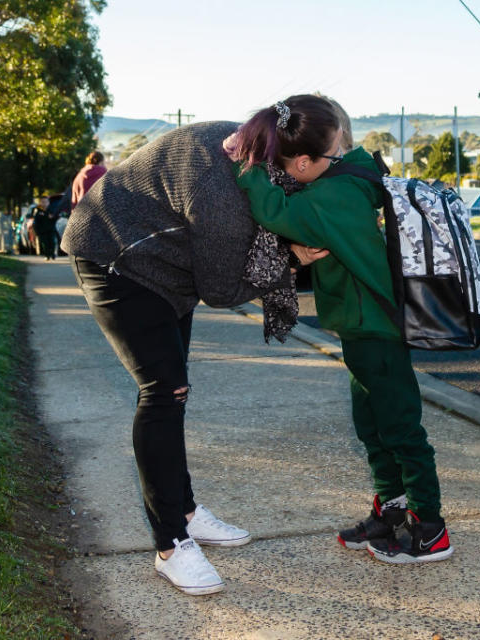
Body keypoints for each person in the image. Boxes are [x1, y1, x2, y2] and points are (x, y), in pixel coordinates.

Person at [60, 120, 329, 596]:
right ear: (299, 162)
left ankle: (183, 510)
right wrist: (290, 261)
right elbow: (222, 290)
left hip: (164, 262)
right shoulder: (223, 193)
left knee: (175, 393)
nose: (335, 167)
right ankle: (170, 546)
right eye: (331, 159)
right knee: (164, 392)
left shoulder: (251, 145)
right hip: (115, 256)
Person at [228, 95, 453, 564]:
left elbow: (273, 210)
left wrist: (246, 165)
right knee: (372, 425)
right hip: (363, 328)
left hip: (377, 329)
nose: (284, 176)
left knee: (400, 428)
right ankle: (392, 510)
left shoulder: (328, 196)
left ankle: (430, 528)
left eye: (287, 167)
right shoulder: (352, 176)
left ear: (307, 161)